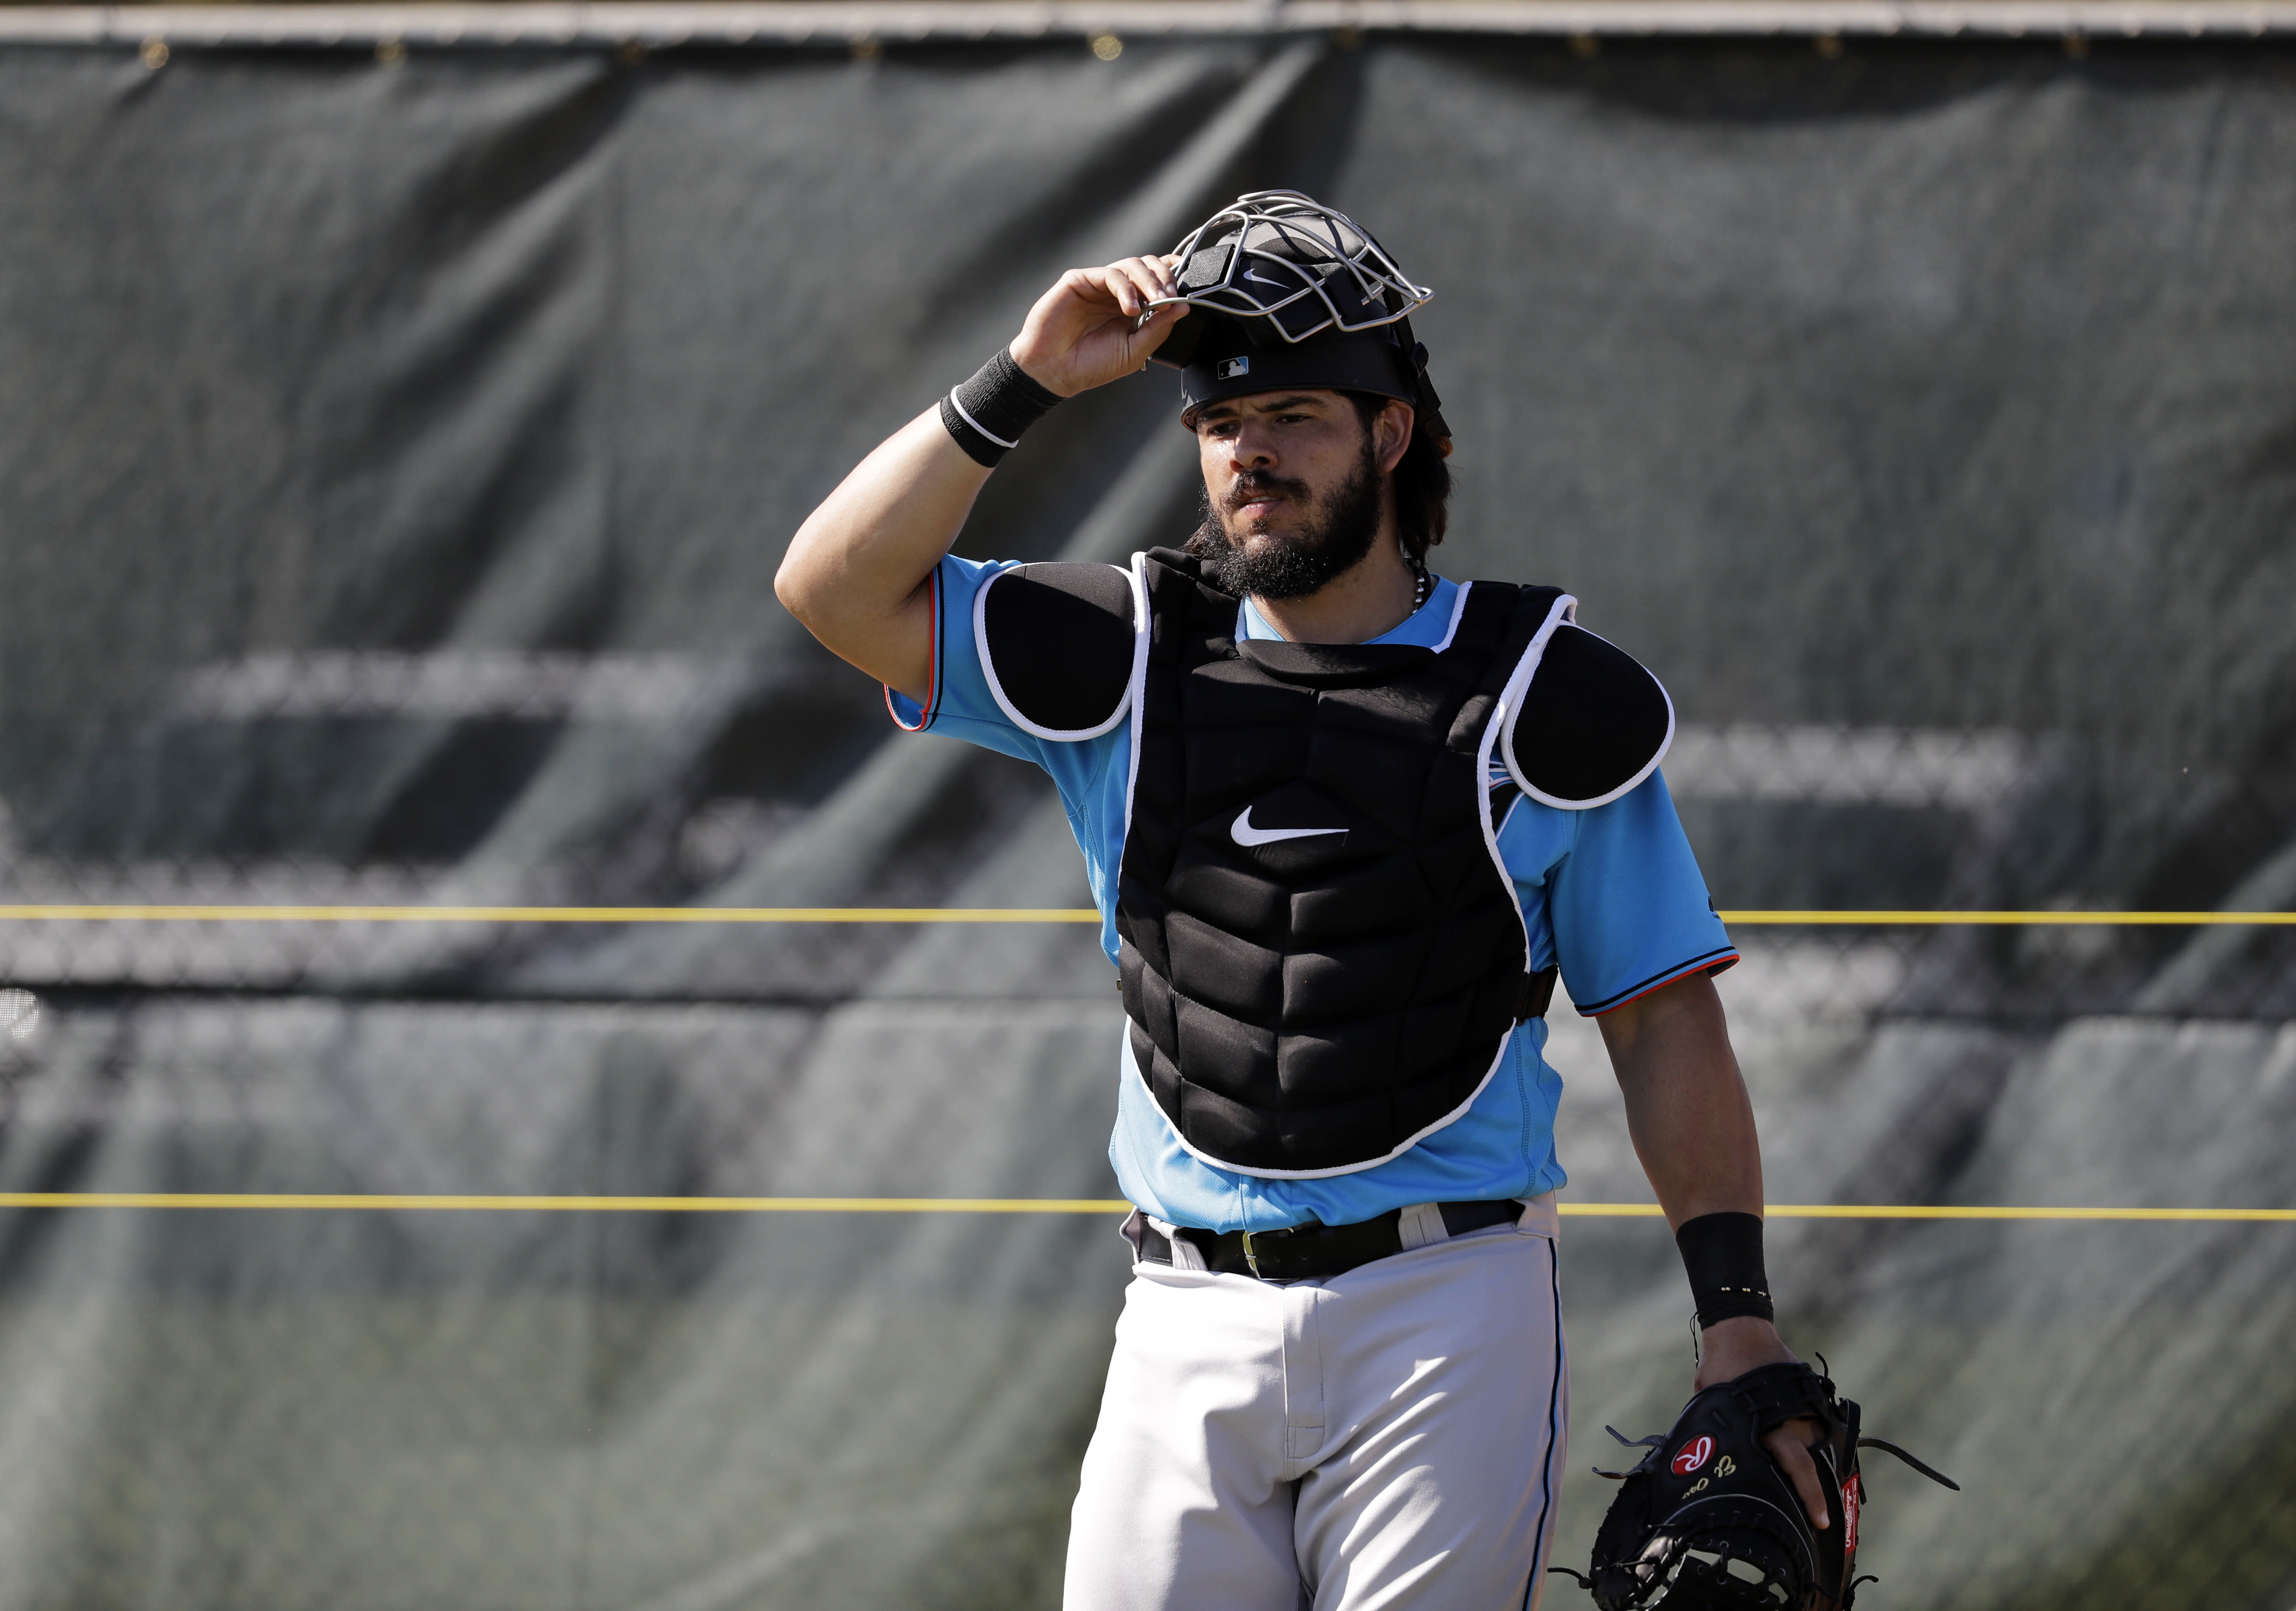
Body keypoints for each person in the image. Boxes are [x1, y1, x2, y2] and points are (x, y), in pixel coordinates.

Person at [775, 193, 1824, 1611]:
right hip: (1179, 1313)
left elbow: (1662, 1024)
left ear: (1392, 435)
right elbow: (829, 588)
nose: (1249, 452)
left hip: (1445, 1319)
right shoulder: (1126, 655)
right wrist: (1019, 386)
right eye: (1219, 424)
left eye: (1295, 416)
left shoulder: (1538, 697)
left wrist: (1736, 1323)